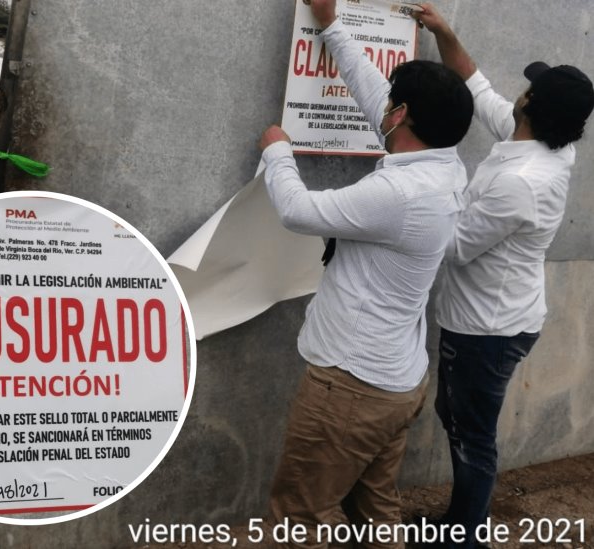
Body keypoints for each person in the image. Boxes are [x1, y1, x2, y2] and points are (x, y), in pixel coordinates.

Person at [258, 0, 474, 546]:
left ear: (401, 117)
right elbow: (377, 94)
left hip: (349, 390)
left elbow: (298, 212)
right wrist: (331, 24)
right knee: (376, 510)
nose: (386, 105)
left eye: (394, 104)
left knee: (298, 514)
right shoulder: (445, 164)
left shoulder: (398, 193)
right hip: (396, 383)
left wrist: (278, 153)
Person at [412, 4, 594, 548]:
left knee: (472, 438)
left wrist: (423, 181)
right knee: (458, 415)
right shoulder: (543, 144)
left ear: (532, 105)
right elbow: (476, 84)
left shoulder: (522, 180)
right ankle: (461, 523)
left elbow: (455, 247)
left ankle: (464, 536)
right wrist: (444, 31)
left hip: (486, 329)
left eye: (530, 86)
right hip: (501, 317)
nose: (520, 88)